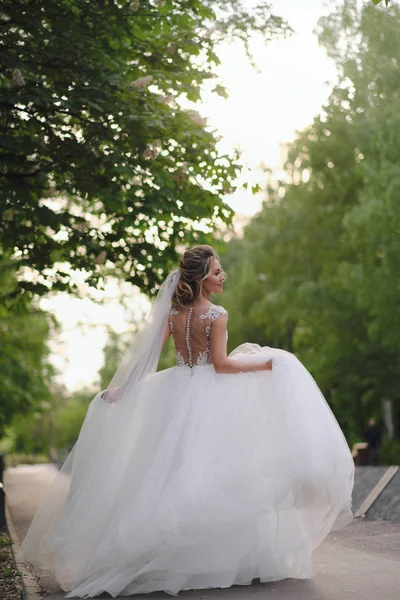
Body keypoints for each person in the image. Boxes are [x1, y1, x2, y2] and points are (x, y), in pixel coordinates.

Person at [19, 245, 355, 598]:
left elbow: (147, 359)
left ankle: (174, 557)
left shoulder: (172, 313)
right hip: (211, 395)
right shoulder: (217, 315)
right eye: (216, 273)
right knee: (220, 473)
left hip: (175, 391)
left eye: (221, 271)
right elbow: (223, 365)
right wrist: (268, 363)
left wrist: (124, 390)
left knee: (170, 472)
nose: (222, 277)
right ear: (199, 279)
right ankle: (221, 560)